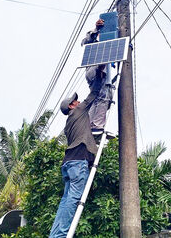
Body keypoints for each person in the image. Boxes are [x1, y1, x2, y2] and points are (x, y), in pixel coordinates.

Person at [48, 66, 105, 238]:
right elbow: (93, 94)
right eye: (76, 101)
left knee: (66, 200)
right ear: (72, 106)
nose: (78, 102)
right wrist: (100, 74)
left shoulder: (68, 124)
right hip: (78, 161)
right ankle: (60, 236)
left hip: (69, 163)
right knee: (73, 200)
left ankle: (55, 234)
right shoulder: (78, 111)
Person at [82, 19, 114, 137]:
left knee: (97, 98)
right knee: (103, 97)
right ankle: (96, 126)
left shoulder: (107, 46)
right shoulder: (93, 43)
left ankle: (90, 124)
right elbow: (85, 42)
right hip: (94, 71)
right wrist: (96, 29)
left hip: (94, 72)